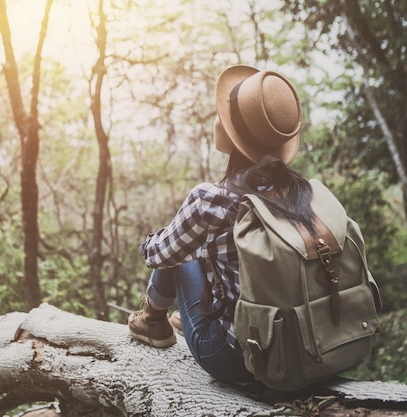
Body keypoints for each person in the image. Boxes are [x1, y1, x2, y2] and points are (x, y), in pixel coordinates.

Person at [128, 64, 317, 385]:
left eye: (225, 111)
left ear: (232, 133)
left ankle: (152, 320)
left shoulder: (212, 200)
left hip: (238, 358)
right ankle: (178, 315)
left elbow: (158, 256)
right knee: (198, 242)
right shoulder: (302, 192)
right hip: (306, 348)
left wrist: (155, 238)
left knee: (178, 248)